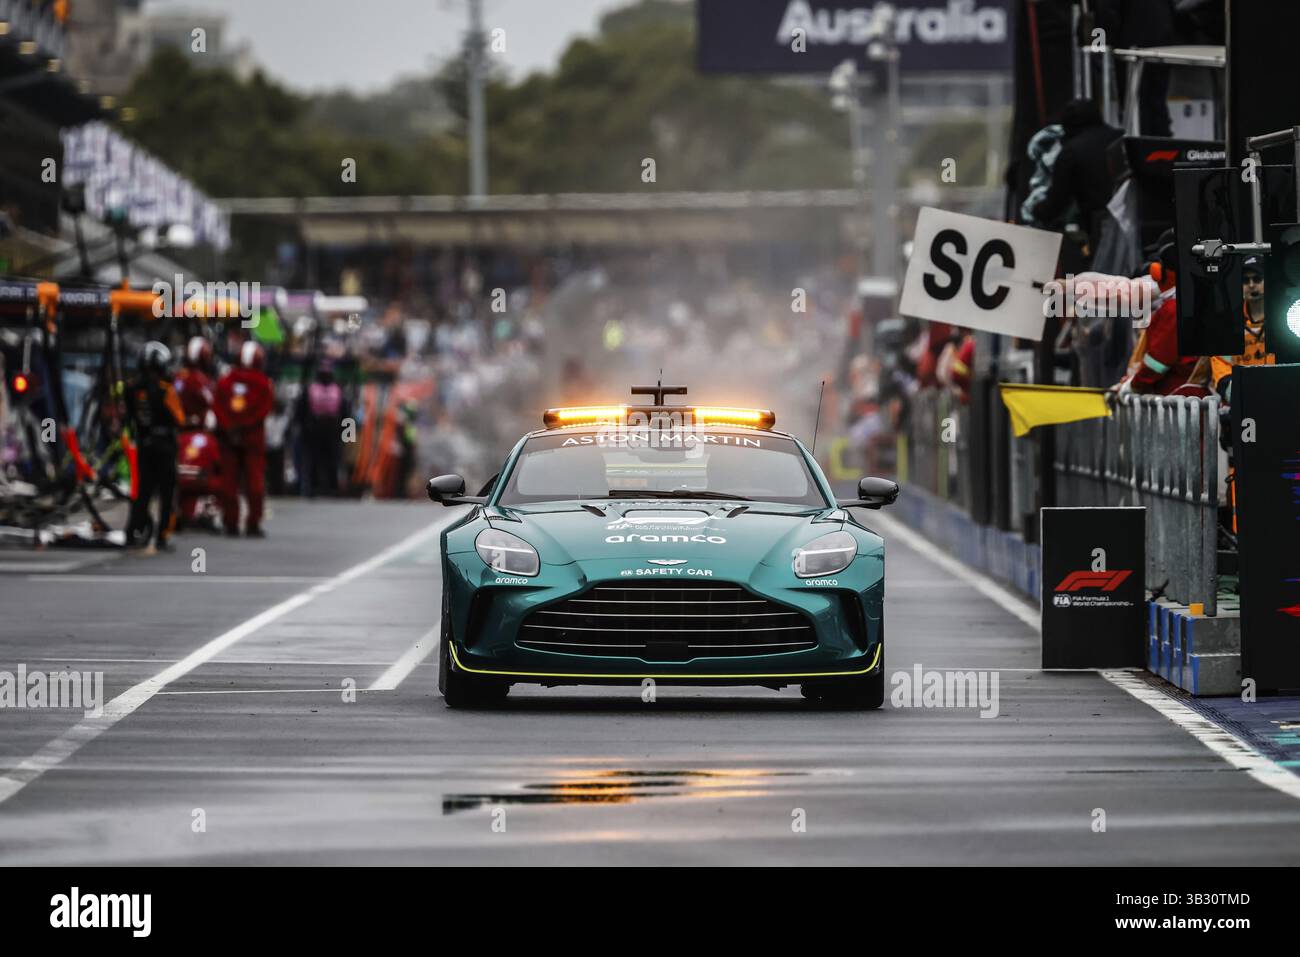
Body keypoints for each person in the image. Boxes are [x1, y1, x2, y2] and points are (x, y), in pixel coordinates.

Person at [1026, 99, 1123, 263]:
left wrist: (1036, 211)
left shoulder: (1070, 152)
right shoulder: (1121, 138)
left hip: (1100, 227)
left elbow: (1057, 201)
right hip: (1132, 220)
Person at [125, 341, 184, 553]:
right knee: (167, 492)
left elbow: (127, 416)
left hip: (143, 444)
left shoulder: (131, 388)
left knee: (143, 491)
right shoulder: (165, 391)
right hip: (164, 446)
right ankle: (162, 535)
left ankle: (133, 531)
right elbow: (179, 418)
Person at [214, 341, 274, 537]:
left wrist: (230, 427)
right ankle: (252, 523)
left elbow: (217, 407)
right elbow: (263, 411)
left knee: (228, 483)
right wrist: (244, 427)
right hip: (251, 440)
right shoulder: (263, 383)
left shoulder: (225, 381)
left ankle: (231, 522)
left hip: (229, 439)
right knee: (254, 484)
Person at [299, 359, 345, 497]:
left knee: (333, 461)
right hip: (314, 430)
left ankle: (332, 488)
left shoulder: (338, 391)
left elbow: (346, 414)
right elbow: (301, 412)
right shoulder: (310, 390)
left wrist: (349, 437)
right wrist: (303, 431)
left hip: (333, 430)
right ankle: (312, 488)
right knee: (313, 461)